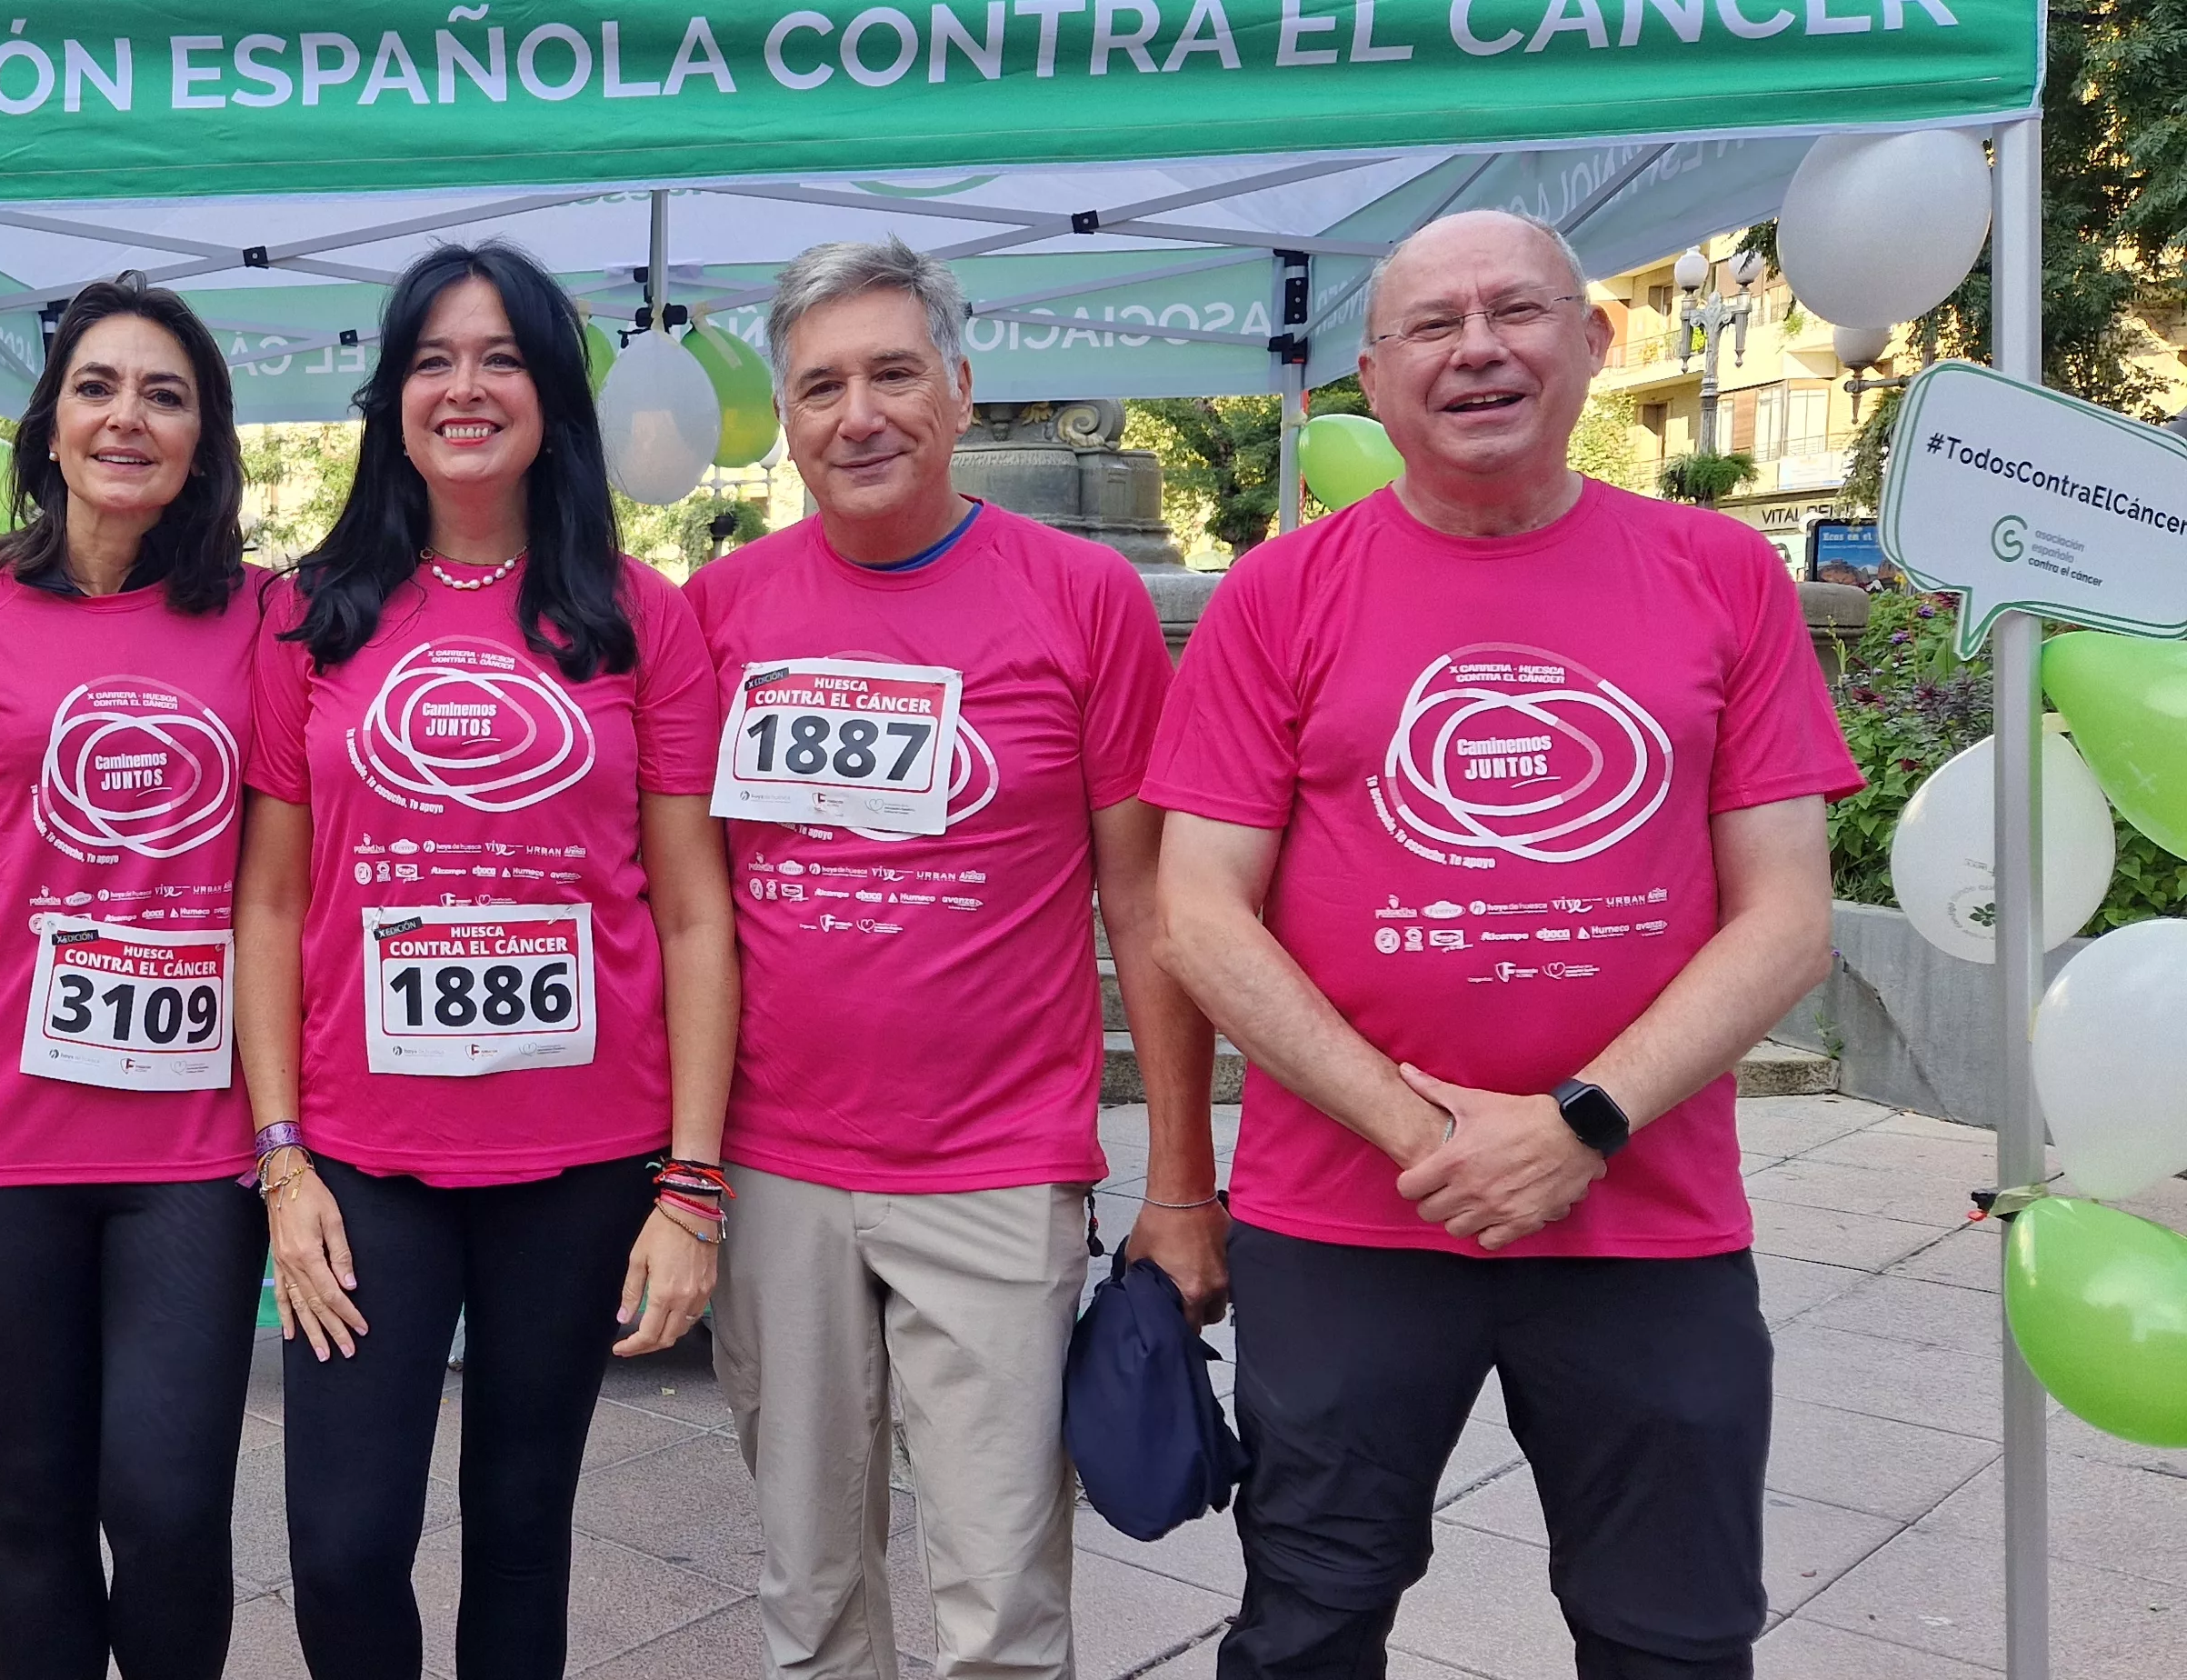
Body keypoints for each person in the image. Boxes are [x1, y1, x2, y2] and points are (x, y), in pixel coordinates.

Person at [1144, 211, 1860, 1680]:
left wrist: (1579, 1120)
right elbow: (1195, 909)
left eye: (1517, 310)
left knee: (1675, 1630)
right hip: (1347, 1217)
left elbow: (1786, 912)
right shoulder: (1280, 593)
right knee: (1309, 1621)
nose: (1478, 346)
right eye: (1433, 324)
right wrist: (1431, 1133)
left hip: (1647, 1215)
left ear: (1593, 343)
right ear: (1373, 371)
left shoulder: (1723, 575)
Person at [681, 237, 1223, 1680]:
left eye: (892, 374)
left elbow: (1148, 907)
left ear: (962, 389)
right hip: (773, 1165)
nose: (857, 415)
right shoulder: (718, 613)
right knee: (807, 1599)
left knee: (1001, 1607)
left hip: (994, 1171)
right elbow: (680, 908)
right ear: (786, 421)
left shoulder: (1085, 596)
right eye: (820, 388)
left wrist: (1182, 1185)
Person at [234, 243, 735, 1680]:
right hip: (362, 1164)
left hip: (581, 1165)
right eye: (434, 359)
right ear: (391, 396)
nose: (466, 386)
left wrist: (690, 1186)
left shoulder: (640, 613)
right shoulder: (306, 613)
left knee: (523, 1529)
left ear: (554, 396)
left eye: (502, 356)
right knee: (339, 1548)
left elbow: (696, 911)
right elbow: (267, 906)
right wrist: (282, 1162)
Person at [0, 274, 265, 1680]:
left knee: (167, 1505)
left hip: (193, 1143)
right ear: (49, 423)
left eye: (165, 393)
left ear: (204, 439)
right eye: (98, 386)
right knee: (30, 1507)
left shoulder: (268, 623)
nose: (127, 417)